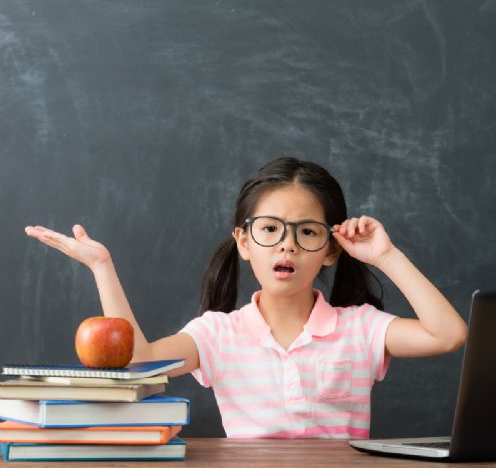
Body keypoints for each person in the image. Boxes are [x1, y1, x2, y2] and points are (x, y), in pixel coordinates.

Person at [24, 156, 467, 439]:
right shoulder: (218, 334)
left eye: (308, 232)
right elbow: (140, 363)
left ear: (331, 249)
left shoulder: (360, 327)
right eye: (270, 229)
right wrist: (103, 267)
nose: (287, 245)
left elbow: (448, 335)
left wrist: (385, 255)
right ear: (244, 241)